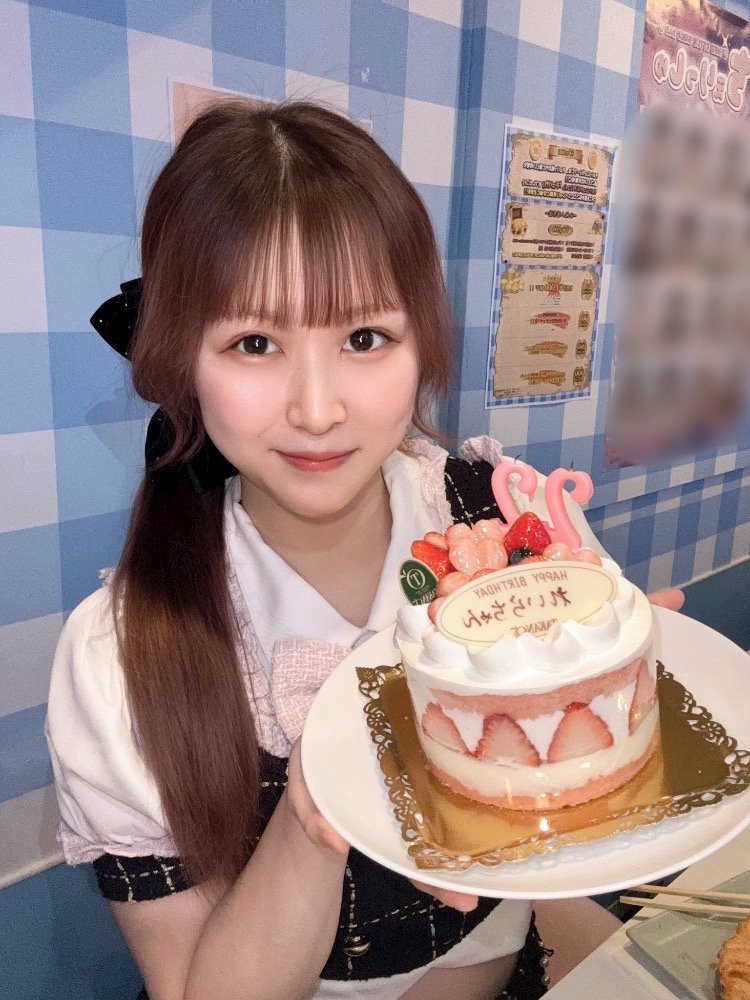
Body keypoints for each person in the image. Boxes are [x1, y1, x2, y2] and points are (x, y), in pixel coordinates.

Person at [46, 99, 681, 1000]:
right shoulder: (121, 657)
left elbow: (559, 848)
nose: (317, 409)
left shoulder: (501, 523)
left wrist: (604, 689)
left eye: (364, 337)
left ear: (422, 337)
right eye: (255, 342)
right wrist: (313, 814)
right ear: (182, 357)